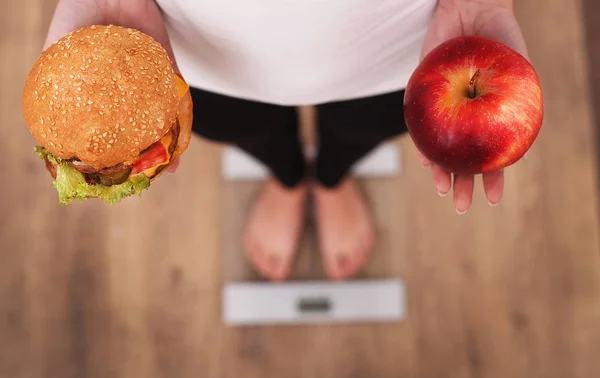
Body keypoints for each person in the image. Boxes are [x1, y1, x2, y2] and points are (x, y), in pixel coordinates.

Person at [44, 0, 527, 281]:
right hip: (194, 36)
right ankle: (289, 177)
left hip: (400, 34)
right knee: (238, 124)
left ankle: (332, 177)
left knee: (368, 122)